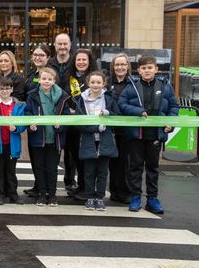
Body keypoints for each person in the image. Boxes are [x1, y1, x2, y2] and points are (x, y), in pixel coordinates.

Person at [119, 56, 179, 214]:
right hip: (136, 134)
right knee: (135, 167)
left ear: (156, 69)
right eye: (143, 68)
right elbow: (122, 104)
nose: (147, 71)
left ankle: (152, 198)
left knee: (153, 167)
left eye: (150, 68)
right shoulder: (132, 86)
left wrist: (170, 123)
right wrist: (138, 111)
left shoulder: (165, 87)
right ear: (138, 70)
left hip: (155, 135)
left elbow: (173, 106)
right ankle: (135, 197)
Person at [25, 67, 70, 207]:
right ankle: (42, 194)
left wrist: (61, 125)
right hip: (38, 137)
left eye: (49, 79)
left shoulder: (62, 96)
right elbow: (27, 112)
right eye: (44, 78)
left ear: (54, 81)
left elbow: (66, 116)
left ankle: (52, 195)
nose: (46, 81)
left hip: (55, 138)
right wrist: (30, 124)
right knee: (39, 167)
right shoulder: (32, 95)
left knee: (52, 168)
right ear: (39, 79)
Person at [76, 71, 120, 212]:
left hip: (105, 141)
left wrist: (109, 114)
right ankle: (90, 198)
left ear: (103, 84)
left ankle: (100, 198)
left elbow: (118, 117)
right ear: (88, 83)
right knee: (89, 172)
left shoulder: (109, 99)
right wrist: (96, 128)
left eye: (98, 82)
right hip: (88, 140)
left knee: (102, 172)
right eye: (93, 82)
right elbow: (79, 123)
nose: (96, 85)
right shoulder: (81, 100)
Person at [61, 48, 98, 200]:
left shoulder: (94, 78)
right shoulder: (68, 77)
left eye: (84, 59)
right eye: (78, 60)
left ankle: (88, 189)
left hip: (87, 125)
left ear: (89, 62)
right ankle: (80, 186)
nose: (81, 62)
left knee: (86, 158)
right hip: (71, 124)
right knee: (75, 156)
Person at [0, 76, 26, 205]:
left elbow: (23, 123)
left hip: (12, 144)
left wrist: (17, 128)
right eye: (2, 89)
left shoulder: (18, 105)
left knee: (11, 171)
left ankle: (13, 194)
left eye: (7, 89)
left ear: (12, 89)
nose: (4, 91)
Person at [22, 43, 52, 198]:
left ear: (47, 57)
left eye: (41, 55)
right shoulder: (31, 74)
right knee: (35, 156)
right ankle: (38, 185)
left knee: (47, 157)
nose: (38, 57)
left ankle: (45, 187)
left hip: (47, 124)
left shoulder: (52, 75)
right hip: (32, 122)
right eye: (35, 55)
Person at [107, 53, 133, 203]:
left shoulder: (133, 83)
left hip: (127, 130)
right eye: (117, 65)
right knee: (113, 161)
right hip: (110, 129)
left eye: (123, 64)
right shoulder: (107, 83)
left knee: (126, 162)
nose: (120, 67)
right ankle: (114, 191)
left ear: (128, 66)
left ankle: (126, 192)